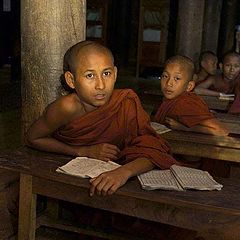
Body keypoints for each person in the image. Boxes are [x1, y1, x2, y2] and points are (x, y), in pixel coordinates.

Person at [26, 40, 179, 197]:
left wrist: (123, 172)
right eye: (90, 75)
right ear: (71, 80)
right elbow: (33, 138)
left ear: (115, 74)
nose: (100, 85)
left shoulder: (126, 102)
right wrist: (81, 151)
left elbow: (153, 149)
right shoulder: (64, 108)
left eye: (106, 74)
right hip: (73, 178)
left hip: (117, 176)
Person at [153, 55, 229, 136]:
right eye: (165, 76)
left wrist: (183, 127)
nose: (168, 83)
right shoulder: (168, 100)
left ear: (189, 86)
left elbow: (222, 130)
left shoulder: (186, 103)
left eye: (177, 78)